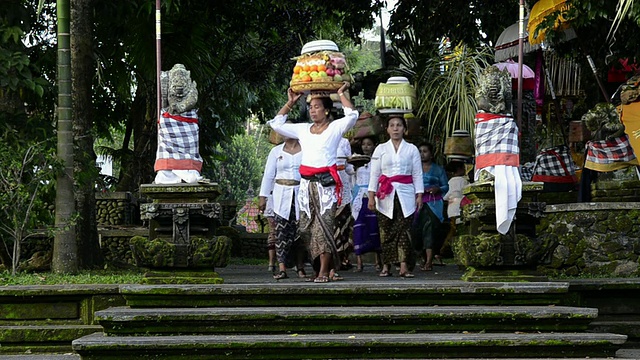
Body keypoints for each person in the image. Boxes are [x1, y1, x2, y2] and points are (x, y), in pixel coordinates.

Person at [268, 82, 357, 283]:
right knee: (306, 230)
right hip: (306, 186)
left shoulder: (334, 128)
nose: (313, 110)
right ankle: (319, 269)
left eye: (317, 107)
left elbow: (352, 116)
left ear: (326, 111)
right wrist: (290, 103)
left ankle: (324, 271)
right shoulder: (303, 130)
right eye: (310, 107)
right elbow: (276, 124)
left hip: (326, 186)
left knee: (324, 227)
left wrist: (341, 94)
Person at [368, 116, 423, 278]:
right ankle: (386, 265)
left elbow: (417, 174)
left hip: (406, 193)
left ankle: (404, 266)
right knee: (386, 231)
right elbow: (374, 174)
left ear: (404, 129)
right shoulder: (380, 149)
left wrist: (419, 194)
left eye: (399, 125)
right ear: (387, 129)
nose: (395, 128)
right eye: (392, 125)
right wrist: (371, 196)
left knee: (404, 230)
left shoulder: (412, 149)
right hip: (385, 194)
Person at [258, 135, 306, 280]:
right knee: (280, 233)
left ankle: (301, 267)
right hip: (280, 195)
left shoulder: (305, 150)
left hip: (301, 193)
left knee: (300, 233)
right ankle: (282, 268)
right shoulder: (276, 151)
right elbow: (268, 175)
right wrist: (263, 197)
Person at [412, 142, 449, 271]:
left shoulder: (438, 169)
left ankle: (429, 261)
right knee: (417, 230)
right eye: (420, 151)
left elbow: (446, 186)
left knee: (430, 230)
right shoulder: (414, 169)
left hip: (433, 202)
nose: (422, 154)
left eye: (425, 151)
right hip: (417, 202)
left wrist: (437, 188)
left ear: (431, 154)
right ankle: (422, 256)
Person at [351, 136, 382, 272]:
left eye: (369, 144)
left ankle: (378, 261)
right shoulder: (356, 160)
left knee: (374, 226)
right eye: (364, 144)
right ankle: (359, 262)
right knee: (359, 227)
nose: (366, 147)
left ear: (374, 146)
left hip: (372, 196)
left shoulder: (377, 160)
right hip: (358, 196)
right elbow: (352, 177)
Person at [334, 137, 355, 271]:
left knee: (344, 224)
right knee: (331, 224)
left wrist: (357, 166)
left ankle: (343, 257)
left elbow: (349, 167)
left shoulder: (344, 142)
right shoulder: (318, 139)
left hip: (344, 184)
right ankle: (332, 259)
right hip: (326, 184)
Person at [442, 160, 469, 257]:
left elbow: (445, 196)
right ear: (459, 169)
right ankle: (444, 250)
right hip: (459, 208)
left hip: (451, 208)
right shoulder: (463, 181)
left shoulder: (449, 182)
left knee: (453, 228)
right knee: (457, 230)